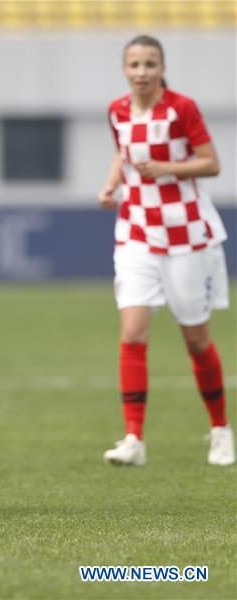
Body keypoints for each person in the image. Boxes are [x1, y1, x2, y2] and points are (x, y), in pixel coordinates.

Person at [97, 35, 233, 466]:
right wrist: (111, 184)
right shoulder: (117, 110)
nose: (141, 72)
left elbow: (210, 163)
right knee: (133, 331)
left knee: (195, 339)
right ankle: (133, 439)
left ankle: (220, 430)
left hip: (186, 233)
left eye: (149, 64)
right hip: (136, 231)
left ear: (161, 68)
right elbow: (123, 152)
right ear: (124, 69)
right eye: (134, 64)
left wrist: (168, 169)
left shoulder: (181, 108)